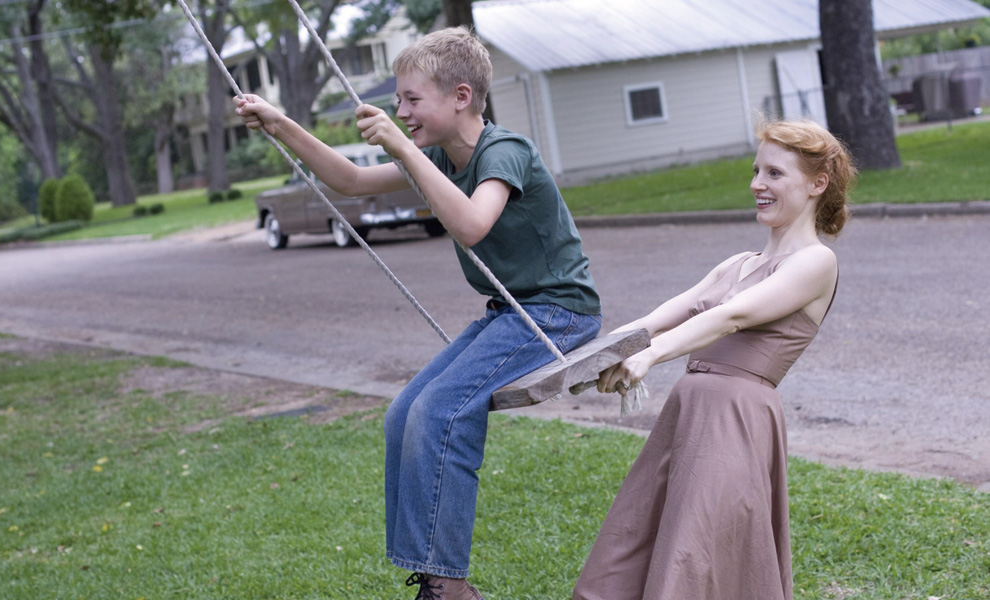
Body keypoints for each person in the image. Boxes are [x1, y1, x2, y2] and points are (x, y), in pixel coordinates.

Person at [235, 27, 602, 600]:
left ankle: (449, 588)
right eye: (399, 101)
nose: (400, 111)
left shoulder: (504, 151)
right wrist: (280, 123)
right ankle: (434, 579)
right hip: (508, 314)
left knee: (439, 412)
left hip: (557, 315)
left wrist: (404, 150)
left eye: (411, 99)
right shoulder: (436, 156)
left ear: (460, 96)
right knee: (404, 411)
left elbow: (473, 224)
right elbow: (352, 180)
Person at [571, 119, 857, 600]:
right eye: (756, 170)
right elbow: (660, 316)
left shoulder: (816, 262)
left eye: (773, 173)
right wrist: (595, 354)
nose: (756, 184)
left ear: (817, 183)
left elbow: (734, 316)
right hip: (687, 417)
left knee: (698, 556)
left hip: (735, 423)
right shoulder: (736, 263)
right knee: (633, 545)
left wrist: (652, 355)